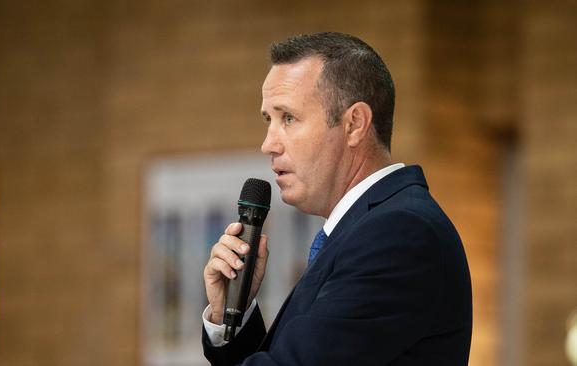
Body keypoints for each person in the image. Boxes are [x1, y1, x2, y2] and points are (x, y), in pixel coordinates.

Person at [201, 32, 472, 365]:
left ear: (354, 124)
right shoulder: (367, 230)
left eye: (288, 118)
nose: (268, 144)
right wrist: (230, 313)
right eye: (268, 120)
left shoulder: (398, 234)